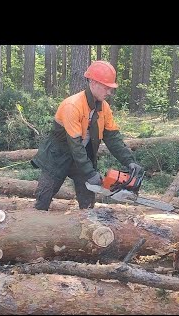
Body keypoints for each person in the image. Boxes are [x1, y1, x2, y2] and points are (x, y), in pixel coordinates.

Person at [31, 60, 143, 210]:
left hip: (82, 157)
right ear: (93, 82)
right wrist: (90, 173)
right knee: (43, 197)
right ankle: (35, 224)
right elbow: (75, 145)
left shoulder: (104, 108)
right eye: (106, 87)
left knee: (88, 201)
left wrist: (129, 161)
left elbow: (113, 138)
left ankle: (87, 226)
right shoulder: (72, 105)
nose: (109, 92)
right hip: (58, 155)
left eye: (110, 88)